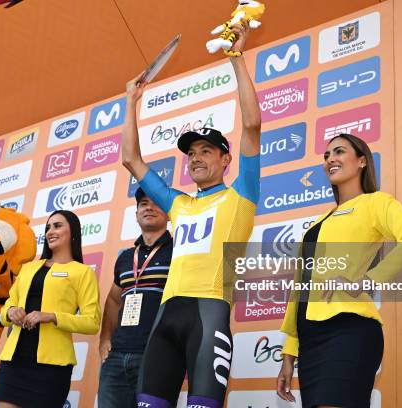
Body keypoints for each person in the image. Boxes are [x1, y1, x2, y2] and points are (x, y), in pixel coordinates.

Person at [121, 22, 261, 408]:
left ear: (226, 160)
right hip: (166, 317)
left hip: (209, 314)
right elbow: (131, 160)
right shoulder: (178, 203)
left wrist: (236, 58)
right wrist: (130, 103)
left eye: (206, 151)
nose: (196, 157)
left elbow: (251, 125)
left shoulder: (241, 195)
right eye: (191, 153)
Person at [277, 134, 402, 408]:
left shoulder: (376, 203)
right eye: (326, 156)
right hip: (310, 341)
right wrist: (289, 353)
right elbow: (301, 288)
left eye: (339, 152)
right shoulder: (319, 222)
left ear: (361, 161)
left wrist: (366, 280)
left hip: (349, 330)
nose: (330, 160)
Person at [0, 210, 101, 408]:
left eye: (58, 226)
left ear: (73, 233)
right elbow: (3, 312)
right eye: (48, 227)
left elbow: (92, 322)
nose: (51, 231)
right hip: (14, 363)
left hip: (51, 369)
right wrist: (10, 312)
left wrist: (52, 316)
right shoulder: (28, 269)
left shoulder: (83, 272)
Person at [97, 187, 172, 408]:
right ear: (136, 213)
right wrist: (105, 338)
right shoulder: (126, 257)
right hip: (116, 357)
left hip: (156, 354)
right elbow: (113, 299)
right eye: (143, 203)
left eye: (156, 202)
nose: (149, 207)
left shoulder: (179, 251)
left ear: (169, 213)